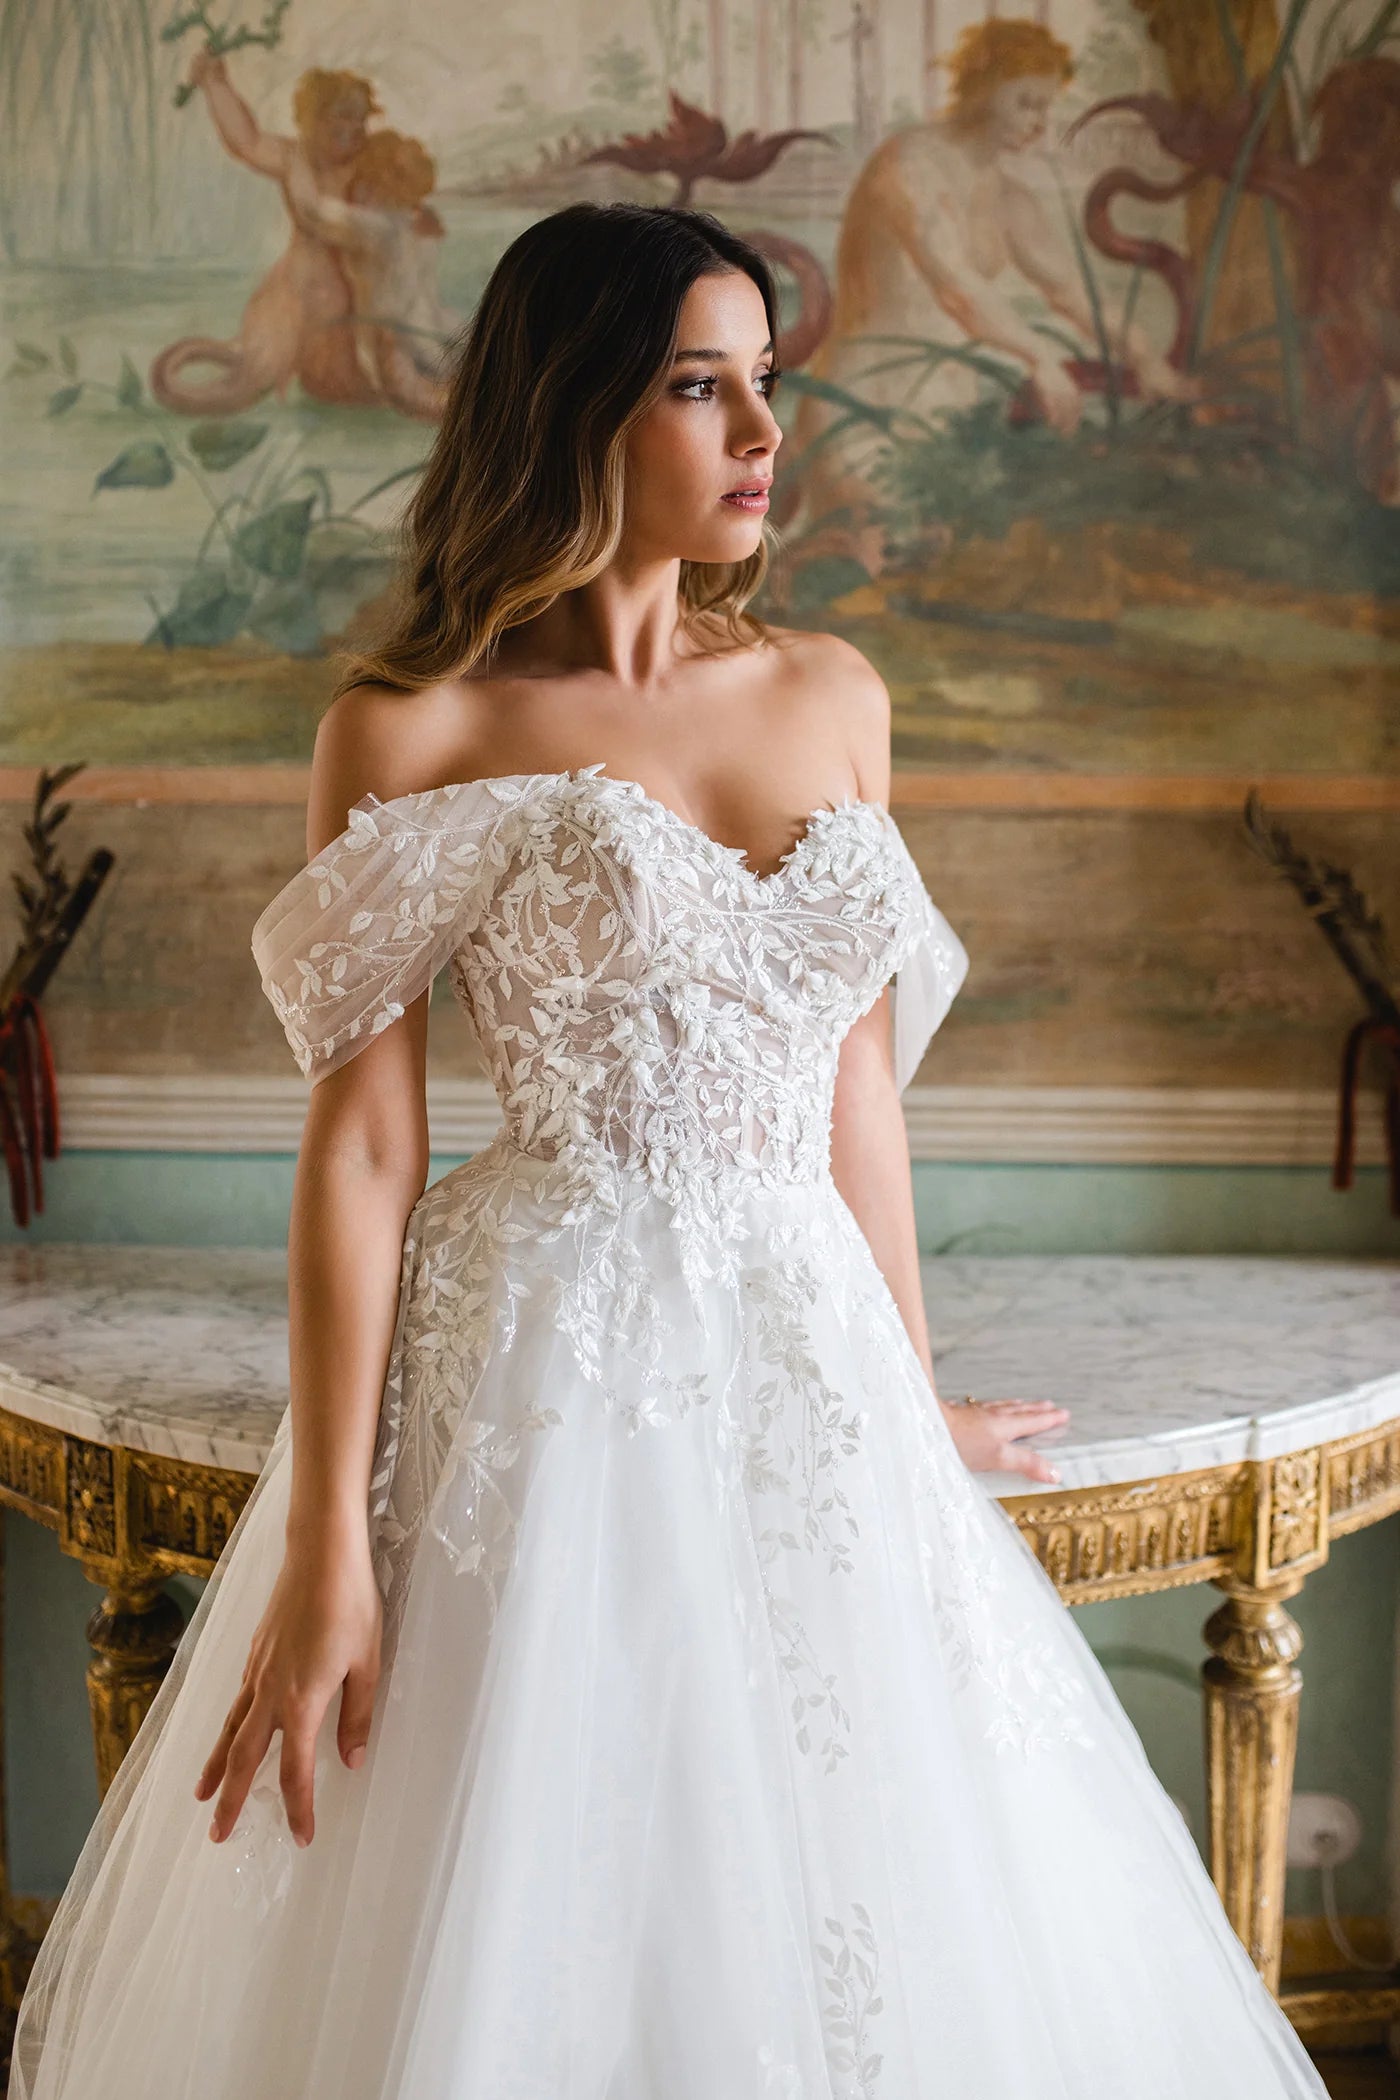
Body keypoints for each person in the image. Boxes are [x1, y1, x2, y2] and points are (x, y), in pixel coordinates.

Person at [15, 203, 1328, 2098]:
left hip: (800, 1353)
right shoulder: (415, 729)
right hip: (545, 1370)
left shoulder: (835, 694)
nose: (760, 435)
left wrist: (904, 1390)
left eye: (766, 383)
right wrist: (329, 1558)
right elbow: (365, 1152)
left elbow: (855, 1094)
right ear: (571, 411)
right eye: (699, 386)